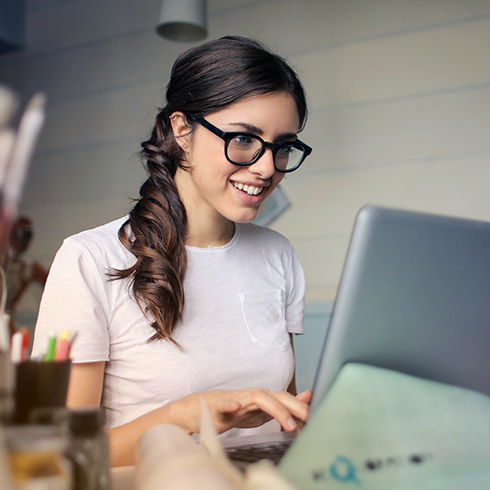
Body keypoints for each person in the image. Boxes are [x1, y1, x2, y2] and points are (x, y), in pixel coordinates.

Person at [32, 36, 313, 467]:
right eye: (243, 139)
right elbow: (57, 454)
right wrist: (186, 415)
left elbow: (285, 412)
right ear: (182, 130)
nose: (266, 167)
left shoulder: (277, 254)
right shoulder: (88, 259)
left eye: (283, 147)